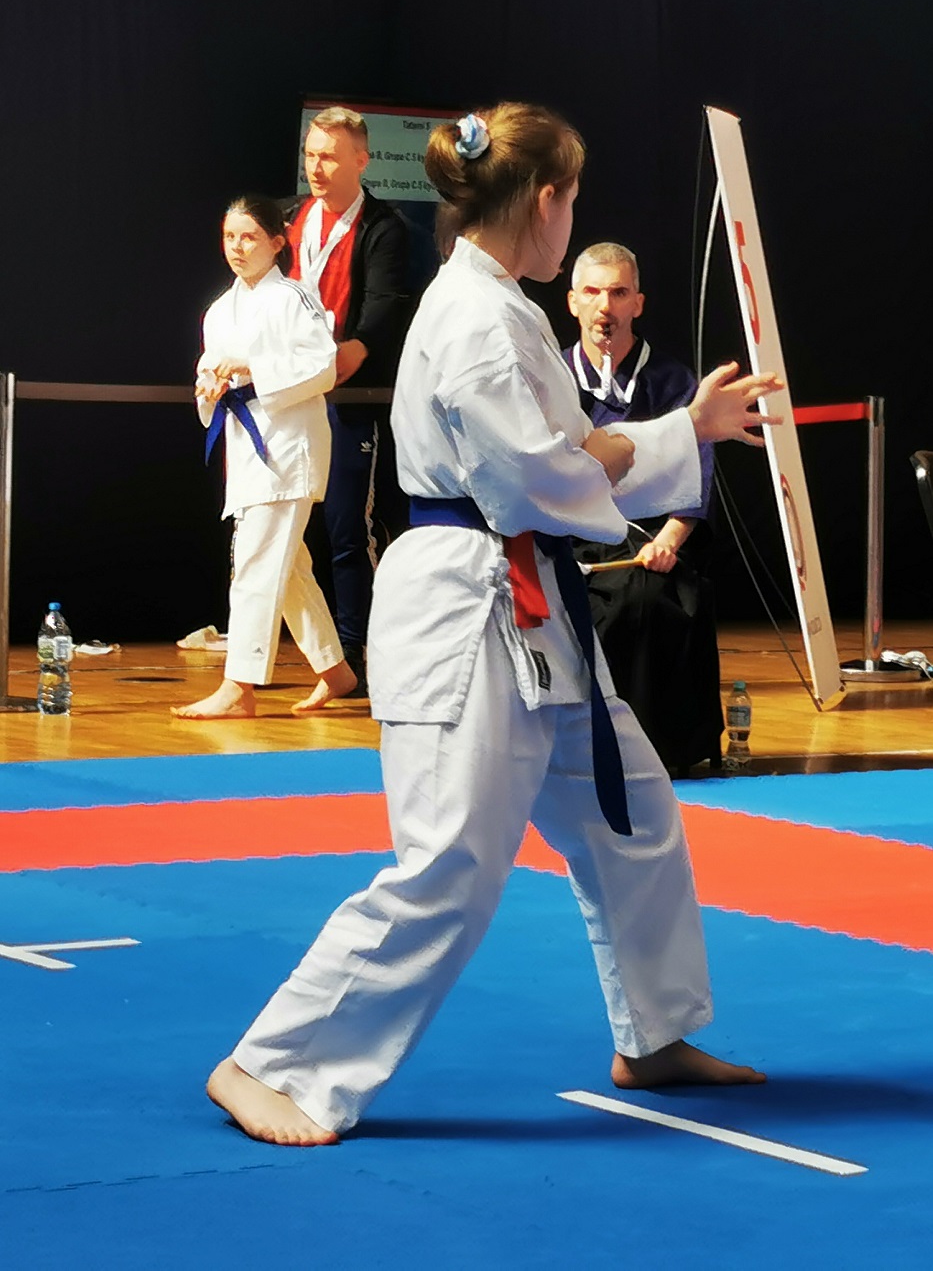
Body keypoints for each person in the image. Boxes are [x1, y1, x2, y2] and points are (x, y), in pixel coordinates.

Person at [207, 102, 779, 1146]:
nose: (574, 222)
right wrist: (675, 434)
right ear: (545, 200)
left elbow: (569, 457)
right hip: (466, 606)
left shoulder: (504, 307)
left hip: (530, 606)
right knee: (450, 866)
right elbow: (540, 479)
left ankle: (654, 1035)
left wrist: (678, 430)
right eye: (574, 199)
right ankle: (271, 1063)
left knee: (634, 819)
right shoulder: (475, 319)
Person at [174, 196, 357, 720]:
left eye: (249, 236)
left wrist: (253, 367)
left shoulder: (294, 297)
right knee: (289, 568)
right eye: (229, 236)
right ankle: (335, 670)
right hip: (246, 445)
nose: (237, 247)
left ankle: (240, 683)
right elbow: (211, 372)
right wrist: (210, 386)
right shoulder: (219, 310)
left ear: (277, 243)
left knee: (255, 563)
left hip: (289, 447)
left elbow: (322, 366)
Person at [563, 242, 724, 772]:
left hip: (651, 540)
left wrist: (668, 542)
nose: (604, 306)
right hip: (570, 535)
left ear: (638, 303)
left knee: (646, 599)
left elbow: (697, 477)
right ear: (573, 302)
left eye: (618, 293)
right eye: (592, 292)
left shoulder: (675, 383)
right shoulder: (552, 378)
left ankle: (656, 751)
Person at [287, 105, 415, 692]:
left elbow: (384, 308)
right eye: (311, 154)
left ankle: (354, 651)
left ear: (361, 161)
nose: (316, 167)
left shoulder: (384, 227)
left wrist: (348, 354)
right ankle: (278, 655)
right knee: (279, 528)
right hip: (290, 396)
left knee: (346, 528)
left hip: (351, 397)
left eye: (330, 157)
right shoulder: (289, 219)